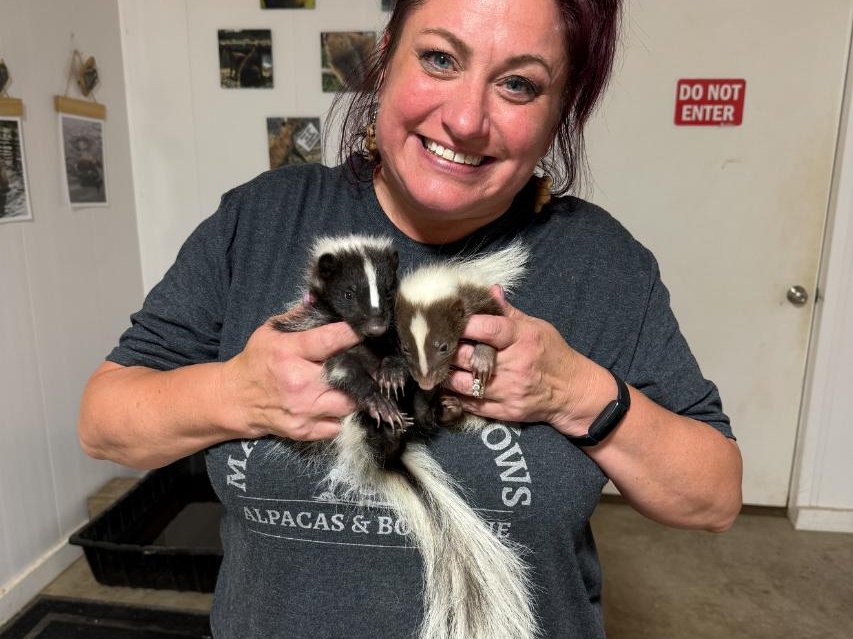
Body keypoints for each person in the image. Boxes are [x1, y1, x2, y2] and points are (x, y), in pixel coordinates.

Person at [78, 0, 743, 637]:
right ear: (386, 58)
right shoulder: (258, 221)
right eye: (439, 59)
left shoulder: (602, 263)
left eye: (517, 84)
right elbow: (105, 424)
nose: (465, 118)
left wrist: (576, 394)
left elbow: (712, 497)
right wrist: (237, 393)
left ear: (559, 111)